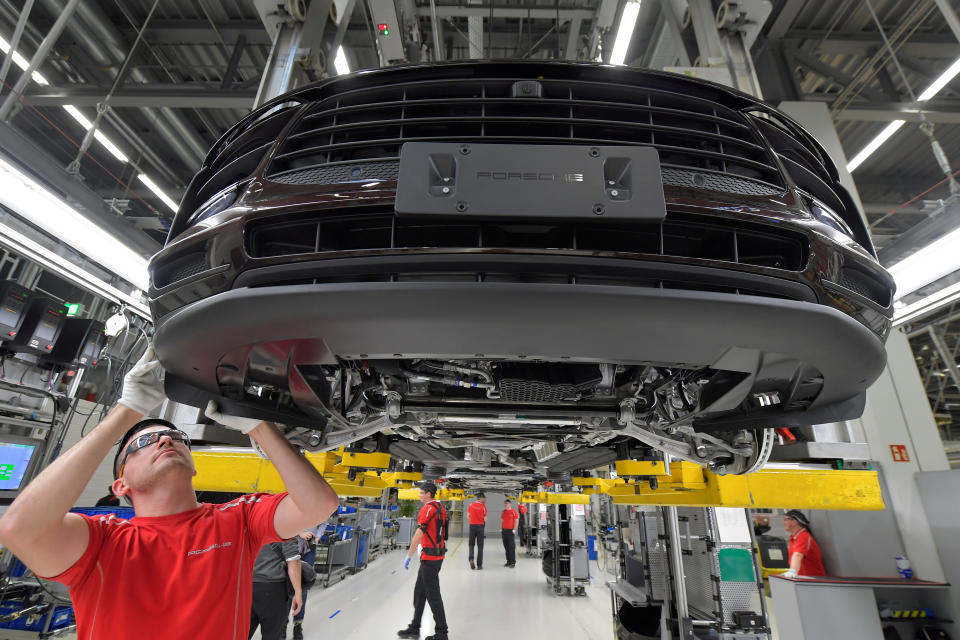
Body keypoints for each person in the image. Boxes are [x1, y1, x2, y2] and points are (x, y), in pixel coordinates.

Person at [0, 346, 340, 640]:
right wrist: (128, 410)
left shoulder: (239, 520)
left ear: (194, 466)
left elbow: (318, 505)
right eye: (143, 442)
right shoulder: (101, 542)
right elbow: (20, 529)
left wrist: (257, 425)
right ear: (121, 485)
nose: (165, 439)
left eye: (178, 438)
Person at [397, 482, 448, 640]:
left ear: (428, 494)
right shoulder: (441, 508)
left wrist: (408, 555)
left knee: (433, 595)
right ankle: (414, 627)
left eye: (421, 492)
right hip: (436, 555)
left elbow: (419, 534)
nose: (419, 495)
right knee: (420, 592)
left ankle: (442, 634)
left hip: (430, 559)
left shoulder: (427, 509)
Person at [250, 537, 302, 640]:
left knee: (241, 633)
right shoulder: (286, 524)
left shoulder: (246, 522)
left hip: (244, 586)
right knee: (272, 634)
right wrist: (298, 591)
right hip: (273, 588)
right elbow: (293, 561)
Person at [291, 524, 324, 640]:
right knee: (286, 585)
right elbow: (287, 521)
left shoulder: (320, 507)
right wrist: (300, 533)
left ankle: (298, 624)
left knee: (303, 586)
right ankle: (282, 624)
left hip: (309, 549)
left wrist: (317, 537)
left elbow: (323, 522)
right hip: (291, 545)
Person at [782, 509, 826, 578]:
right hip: (804, 580)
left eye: (785, 519)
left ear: (794, 522)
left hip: (813, 581)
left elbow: (798, 555)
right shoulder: (794, 537)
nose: (783, 522)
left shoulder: (803, 536)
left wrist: (792, 571)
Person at [467, 492, 487, 570]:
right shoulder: (483, 507)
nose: (485, 499)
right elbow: (485, 519)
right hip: (480, 527)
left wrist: (473, 519)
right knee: (480, 546)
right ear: (480, 498)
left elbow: (468, 516)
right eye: (484, 498)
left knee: (471, 544)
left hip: (472, 526)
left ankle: (471, 559)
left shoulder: (470, 505)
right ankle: (479, 565)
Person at [501, 498, 519, 568]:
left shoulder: (514, 512)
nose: (506, 505)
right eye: (505, 504)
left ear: (510, 504)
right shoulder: (503, 512)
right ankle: (508, 561)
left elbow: (516, 521)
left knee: (511, 547)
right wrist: (501, 528)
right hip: (504, 531)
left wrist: (514, 529)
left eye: (507, 503)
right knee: (506, 547)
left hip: (511, 531)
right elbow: (502, 521)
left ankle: (512, 562)